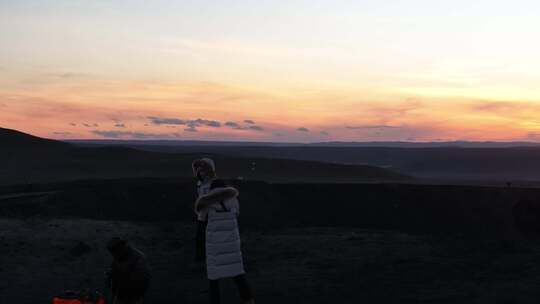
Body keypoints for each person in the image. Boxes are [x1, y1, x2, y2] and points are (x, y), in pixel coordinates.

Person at [192, 158, 255, 304]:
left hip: (214, 242)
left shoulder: (207, 202)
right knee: (237, 272)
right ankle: (249, 300)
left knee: (214, 277)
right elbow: (236, 213)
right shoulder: (233, 200)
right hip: (231, 241)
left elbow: (201, 217)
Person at [106, 238, 151, 304]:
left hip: (133, 295)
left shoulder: (138, 259)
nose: (113, 255)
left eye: (114, 252)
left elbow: (142, 281)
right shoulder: (120, 255)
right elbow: (113, 267)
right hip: (120, 294)